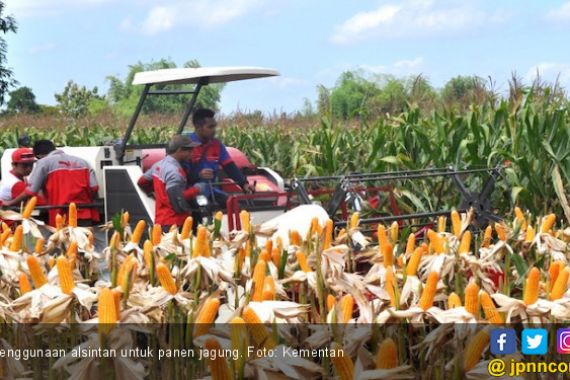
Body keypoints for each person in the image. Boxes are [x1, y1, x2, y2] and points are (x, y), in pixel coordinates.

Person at [7, 140, 100, 227]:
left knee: (65, 244)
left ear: (38, 156)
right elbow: (94, 188)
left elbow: (31, 191)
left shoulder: (43, 163)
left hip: (61, 216)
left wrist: (10, 203)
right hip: (85, 214)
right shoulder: (84, 162)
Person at [184, 108, 253, 206]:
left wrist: (244, 184)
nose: (214, 130)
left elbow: (230, 167)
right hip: (191, 192)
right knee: (204, 209)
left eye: (214, 126)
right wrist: (198, 175)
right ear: (198, 127)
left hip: (211, 190)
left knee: (237, 207)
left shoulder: (217, 145)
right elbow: (181, 175)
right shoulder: (186, 146)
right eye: (210, 127)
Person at [137, 135, 203, 231]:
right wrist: (196, 190)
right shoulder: (175, 172)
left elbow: (142, 182)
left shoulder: (158, 166)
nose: (191, 154)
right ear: (180, 150)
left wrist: (153, 192)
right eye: (189, 151)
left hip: (160, 222)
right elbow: (177, 204)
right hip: (175, 224)